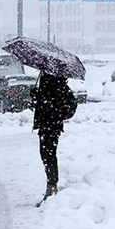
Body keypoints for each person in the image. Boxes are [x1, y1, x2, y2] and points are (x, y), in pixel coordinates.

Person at [30, 71, 77, 206]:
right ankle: (51, 186)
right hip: (47, 125)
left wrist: (43, 101)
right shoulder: (48, 85)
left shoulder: (57, 85)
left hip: (51, 126)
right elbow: (45, 104)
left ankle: (52, 187)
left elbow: (61, 106)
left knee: (48, 155)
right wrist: (36, 99)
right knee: (46, 155)